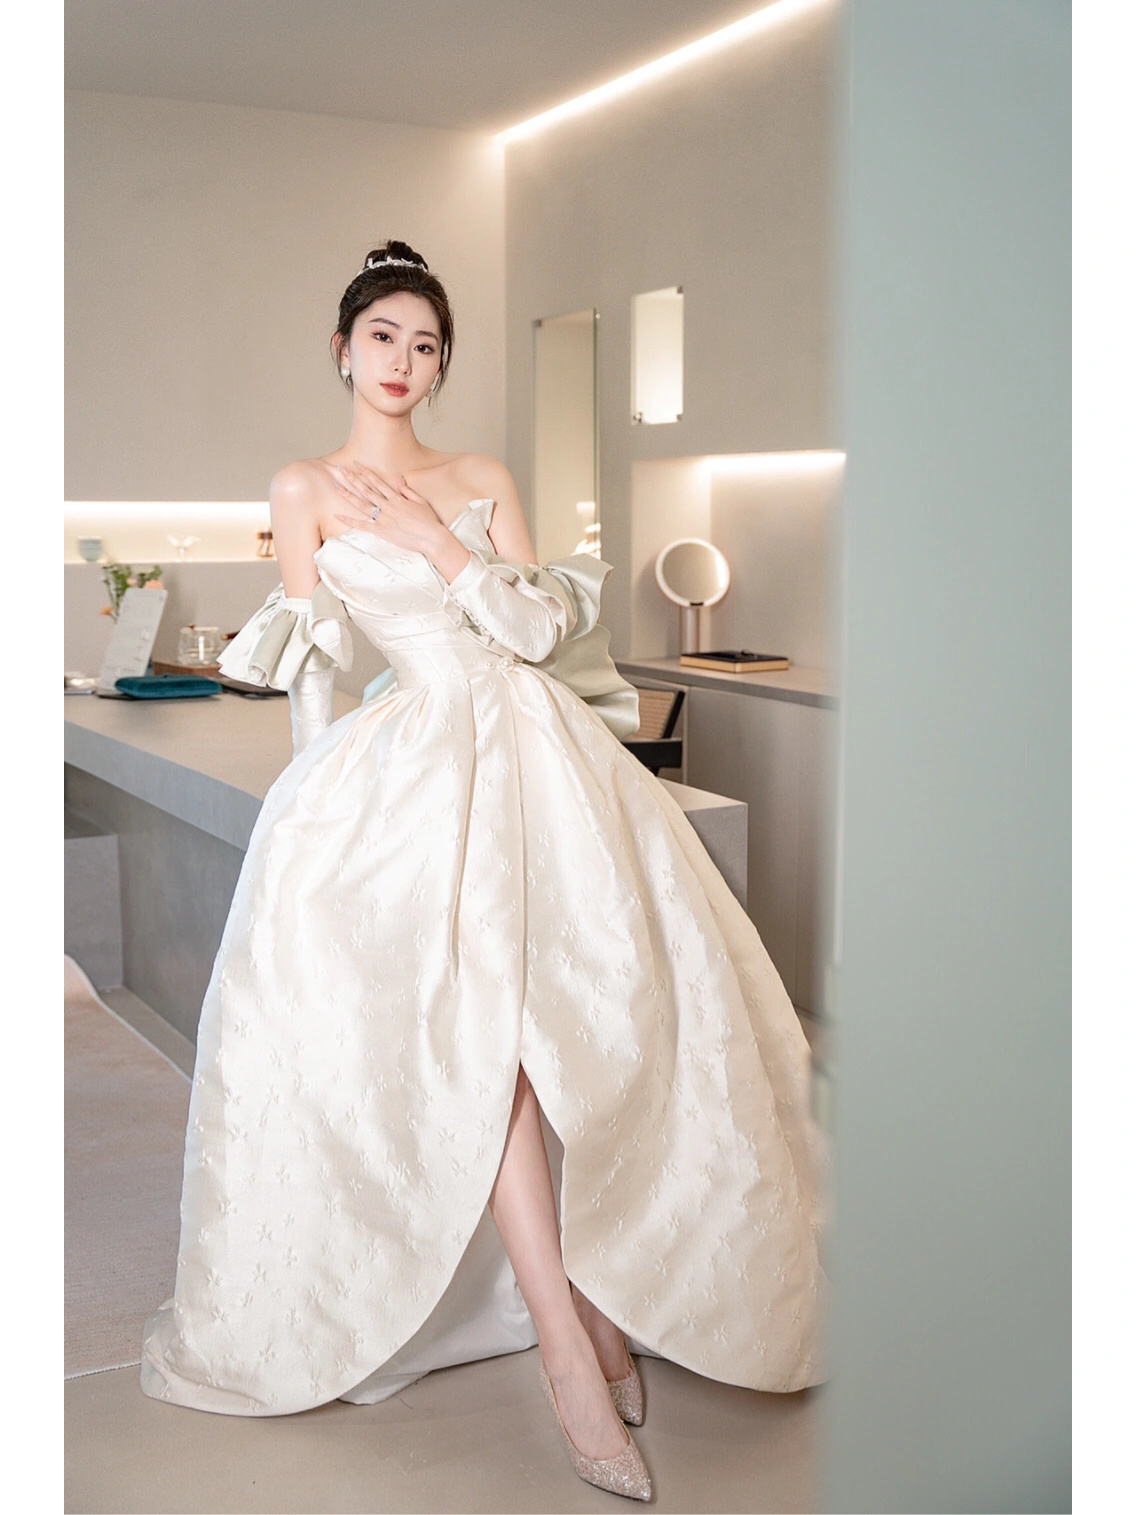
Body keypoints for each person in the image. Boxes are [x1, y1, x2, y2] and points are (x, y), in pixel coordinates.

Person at [140, 240, 831, 1502]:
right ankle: (571, 1340)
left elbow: (536, 632)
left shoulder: (478, 478)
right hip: (410, 775)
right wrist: (306, 807)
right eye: (384, 337)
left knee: (580, 1025)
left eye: (427, 345)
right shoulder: (302, 487)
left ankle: (598, 1311)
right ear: (342, 347)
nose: (404, 362)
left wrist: (441, 543)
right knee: (483, 1041)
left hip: (537, 758)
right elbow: (315, 668)